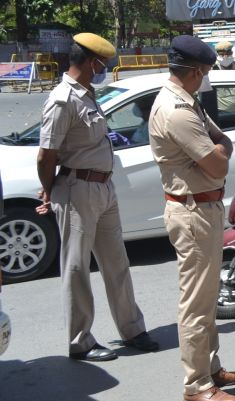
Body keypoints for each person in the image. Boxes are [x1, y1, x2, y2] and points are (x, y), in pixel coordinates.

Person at [36, 32, 159, 362]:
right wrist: (49, 191)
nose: (104, 69)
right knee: (76, 268)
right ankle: (80, 341)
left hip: (103, 188)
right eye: (103, 64)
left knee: (116, 262)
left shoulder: (86, 95)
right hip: (77, 189)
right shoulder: (63, 99)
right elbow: (46, 155)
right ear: (92, 63)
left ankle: (132, 329)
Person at [149, 35, 235, 401]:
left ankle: (210, 370)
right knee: (195, 302)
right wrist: (218, 151)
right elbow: (220, 162)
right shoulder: (176, 110)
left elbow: (224, 142)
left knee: (207, 299)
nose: (207, 77)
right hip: (192, 210)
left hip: (204, 207)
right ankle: (197, 386)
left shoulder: (189, 103)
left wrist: (218, 149)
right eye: (205, 71)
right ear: (196, 71)